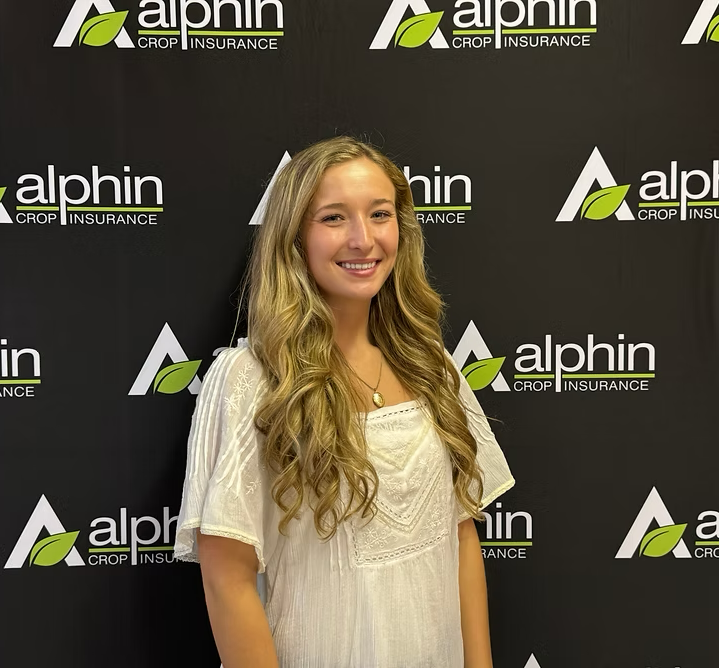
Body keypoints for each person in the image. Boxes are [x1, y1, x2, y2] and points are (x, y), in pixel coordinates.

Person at [173, 136, 515, 667]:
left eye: (380, 214)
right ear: (294, 239)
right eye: (334, 218)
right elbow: (227, 577)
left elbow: (461, 536)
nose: (363, 239)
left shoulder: (433, 366)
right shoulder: (253, 380)